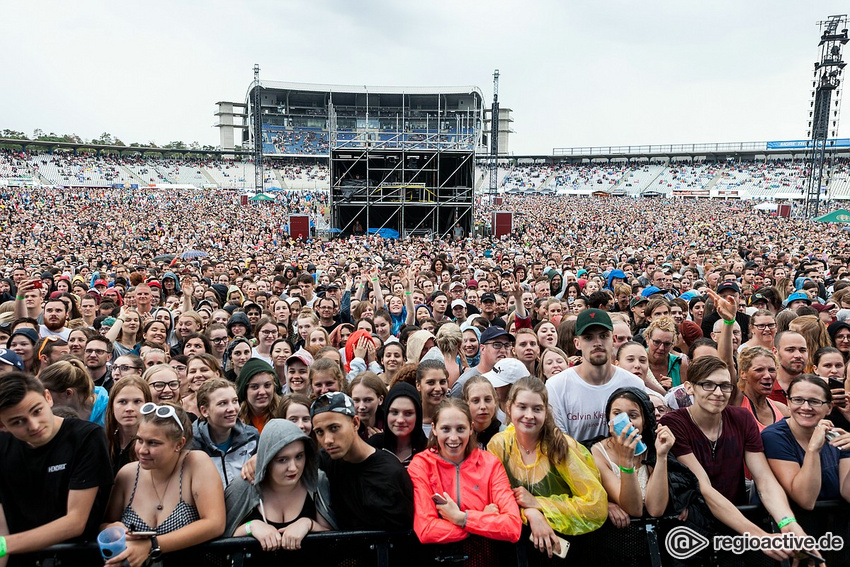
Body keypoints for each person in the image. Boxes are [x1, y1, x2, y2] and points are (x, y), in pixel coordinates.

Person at [660, 356, 817, 563]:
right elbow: (704, 488)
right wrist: (758, 536)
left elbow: (765, 480)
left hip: (737, 525)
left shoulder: (742, 418)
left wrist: (788, 523)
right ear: (689, 388)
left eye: (725, 386)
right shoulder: (674, 422)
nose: (718, 393)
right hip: (693, 531)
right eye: (708, 385)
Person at [488, 377, 606, 559]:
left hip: (566, 549)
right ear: (509, 407)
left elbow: (595, 506)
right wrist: (531, 513)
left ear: (546, 411)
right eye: (522, 407)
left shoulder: (562, 447)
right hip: (516, 550)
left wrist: (540, 504)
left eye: (537, 409)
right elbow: (494, 499)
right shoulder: (500, 446)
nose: (529, 415)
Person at [0, 372, 113, 563]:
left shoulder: (86, 437)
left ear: (48, 397)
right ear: (2, 426)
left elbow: (75, 521)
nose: (33, 425)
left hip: (74, 558)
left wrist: (4, 545)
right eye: (18, 422)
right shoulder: (3, 447)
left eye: (36, 411)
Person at [102, 402, 225, 567]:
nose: (142, 450)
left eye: (153, 443)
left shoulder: (196, 462)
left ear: (179, 444)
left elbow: (215, 523)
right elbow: (104, 524)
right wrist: (114, 529)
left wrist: (152, 545)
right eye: (139, 440)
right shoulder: (127, 474)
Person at [408, 398, 522, 544]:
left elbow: (512, 526)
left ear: (471, 428)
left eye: (460, 428)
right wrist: (480, 520)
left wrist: (460, 518)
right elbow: (426, 530)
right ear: (434, 429)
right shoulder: (421, 465)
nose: (454, 437)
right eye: (446, 429)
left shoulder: (490, 463)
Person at [224, 419, 335, 552]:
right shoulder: (244, 486)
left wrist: (308, 524)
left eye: (299, 456)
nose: (293, 468)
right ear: (267, 460)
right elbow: (223, 540)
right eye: (282, 460)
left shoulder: (317, 481)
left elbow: (333, 538)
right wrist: (251, 527)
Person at [311, 391, 414, 530]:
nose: (327, 440)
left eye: (334, 428)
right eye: (319, 432)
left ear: (355, 423)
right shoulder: (325, 461)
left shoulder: (390, 473)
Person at [546, 309, 644, 443]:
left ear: (613, 339)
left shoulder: (634, 384)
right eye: (588, 337)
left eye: (603, 336)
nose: (597, 343)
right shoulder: (556, 386)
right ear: (577, 343)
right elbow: (560, 443)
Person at [762, 375, 850, 510]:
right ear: (788, 402)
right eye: (798, 400)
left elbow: (848, 493)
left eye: (815, 401)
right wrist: (813, 449)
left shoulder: (836, 437)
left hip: (835, 527)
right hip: (792, 527)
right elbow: (805, 500)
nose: (806, 407)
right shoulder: (774, 437)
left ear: (829, 408)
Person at [590, 387, 675, 526]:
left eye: (633, 416)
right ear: (608, 419)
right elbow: (634, 509)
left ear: (645, 422)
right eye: (617, 414)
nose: (625, 423)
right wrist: (626, 460)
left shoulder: (652, 448)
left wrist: (661, 456)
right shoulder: (598, 453)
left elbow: (656, 509)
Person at [192, 378, 259, 487]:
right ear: (204, 411)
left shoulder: (251, 437)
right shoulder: (193, 445)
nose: (232, 408)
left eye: (234, 401)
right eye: (222, 403)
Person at [368, 383, 429, 465]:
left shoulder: (428, 450)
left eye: (408, 413)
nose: (400, 420)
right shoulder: (373, 447)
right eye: (394, 412)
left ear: (418, 416)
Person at [105, 375, 153, 475]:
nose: (129, 408)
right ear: (112, 405)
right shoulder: (103, 443)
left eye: (137, 401)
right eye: (122, 402)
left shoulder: (153, 447)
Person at [733, 347, 789, 432]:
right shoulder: (736, 402)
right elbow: (726, 362)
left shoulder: (782, 410)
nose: (767, 375)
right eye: (759, 370)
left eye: (771, 370)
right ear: (743, 373)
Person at [40, 358, 110, 426]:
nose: (45, 401)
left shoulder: (109, 413)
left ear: (68, 393)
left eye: (47, 396)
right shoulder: (54, 416)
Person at [236, 359, 282, 434]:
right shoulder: (235, 420)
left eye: (267, 385)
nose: (262, 392)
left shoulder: (285, 413)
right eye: (254, 387)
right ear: (245, 391)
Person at [462, 375, 504, 449]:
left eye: (487, 400)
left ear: (495, 401)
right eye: (476, 401)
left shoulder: (507, 436)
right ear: (465, 404)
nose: (483, 406)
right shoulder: (459, 437)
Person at [348, 372, 387, 438]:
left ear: (380, 400)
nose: (361, 407)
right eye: (356, 400)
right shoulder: (345, 429)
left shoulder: (392, 427)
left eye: (368, 400)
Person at [417, 359, 449, 436]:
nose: (438, 388)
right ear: (418, 385)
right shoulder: (410, 419)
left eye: (442, 382)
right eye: (431, 383)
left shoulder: (457, 417)